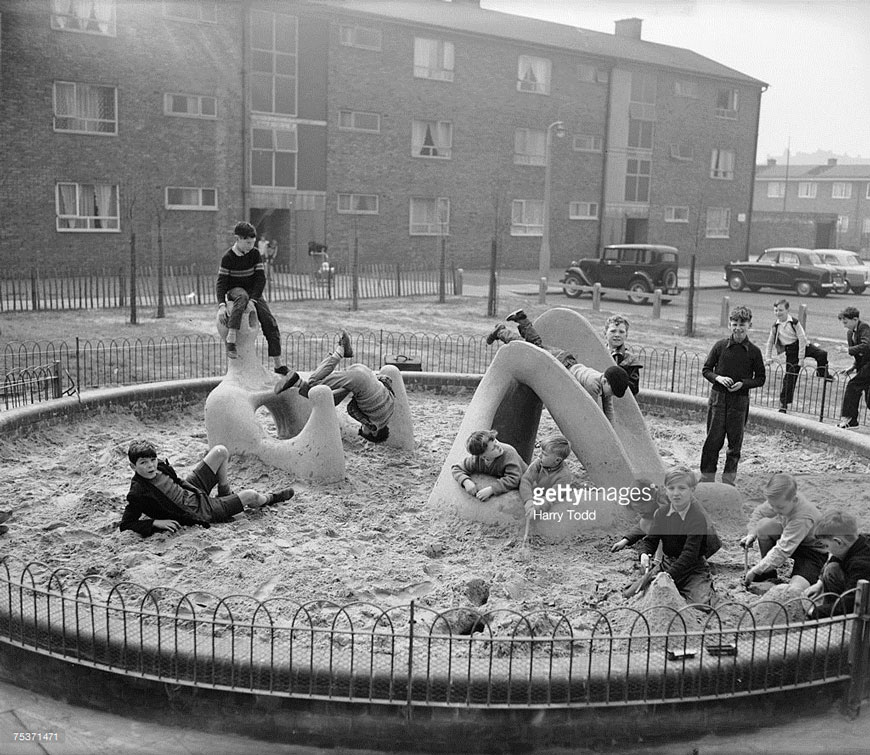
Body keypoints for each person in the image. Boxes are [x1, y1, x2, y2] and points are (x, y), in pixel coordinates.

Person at [121, 440, 295, 538]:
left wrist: (195, 489)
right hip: (200, 510)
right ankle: (272, 498)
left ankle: (225, 492)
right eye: (143, 463)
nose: (150, 466)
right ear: (133, 467)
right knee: (252, 496)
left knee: (220, 451)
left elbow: (177, 481)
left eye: (152, 460)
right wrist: (155, 522)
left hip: (192, 491)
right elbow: (126, 524)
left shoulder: (160, 466)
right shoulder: (137, 493)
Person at [485, 309, 631, 424]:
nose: (609, 396)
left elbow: (608, 406)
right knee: (530, 347)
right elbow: (595, 413)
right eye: (611, 392)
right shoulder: (593, 384)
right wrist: (606, 429)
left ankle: (522, 320)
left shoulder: (604, 380)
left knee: (536, 345)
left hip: (566, 360)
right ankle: (501, 331)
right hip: (559, 365)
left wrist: (612, 428)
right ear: (605, 381)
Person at [275, 331, 395, 443]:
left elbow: (387, 380)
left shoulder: (391, 409)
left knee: (330, 395)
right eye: (363, 429)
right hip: (358, 380)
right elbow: (351, 409)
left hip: (365, 371)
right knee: (317, 389)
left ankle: (341, 351)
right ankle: (297, 381)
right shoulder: (372, 424)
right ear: (374, 432)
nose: (362, 426)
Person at [699, 305, 766, 485]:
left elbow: (760, 378)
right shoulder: (720, 347)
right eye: (734, 324)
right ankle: (706, 478)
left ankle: (728, 482)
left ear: (749, 325)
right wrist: (718, 378)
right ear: (729, 324)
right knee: (713, 441)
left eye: (742, 324)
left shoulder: (754, 352)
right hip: (718, 400)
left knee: (734, 445)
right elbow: (706, 370)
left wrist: (743, 384)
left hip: (739, 402)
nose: (738, 328)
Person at [636, 466, 719, 606]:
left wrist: (668, 576)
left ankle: (702, 586)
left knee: (702, 604)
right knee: (634, 593)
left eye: (682, 488)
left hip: (693, 568)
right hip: (668, 562)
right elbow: (651, 540)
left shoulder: (697, 518)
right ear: (665, 490)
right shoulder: (661, 513)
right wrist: (645, 553)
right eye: (671, 488)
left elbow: (690, 554)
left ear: (692, 491)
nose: (676, 493)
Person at [216, 221, 288, 374]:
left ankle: (278, 364)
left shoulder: (255, 254)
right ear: (238, 239)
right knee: (241, 297)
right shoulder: (227, 258)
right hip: (235, 290)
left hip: (253, 293)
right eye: (247, 242)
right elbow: (221, 283)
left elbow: (261, 279)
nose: (250, 246)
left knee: (269, 321)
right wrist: (222, 305)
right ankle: (231, 337)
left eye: (252, 242)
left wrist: (254, 300)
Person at [740, 472, 827, 593]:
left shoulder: (802, 517)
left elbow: (782, 550)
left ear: (794, 499)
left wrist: (756, 570)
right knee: (763, 526)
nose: (775, 510)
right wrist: (752, 533)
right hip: (794, 543)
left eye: (780, 508)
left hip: (813, 553)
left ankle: (783, 575)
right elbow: (760, 512)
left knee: (794, 590)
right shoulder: (782, 500)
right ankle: (769, 575)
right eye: (772, 505)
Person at [764, 298, 832, 414]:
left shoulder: (794, 322)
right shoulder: (775, 326)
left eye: (780, 310)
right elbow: (770, 342)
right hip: (791, 351)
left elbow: (801, 338)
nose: (778, 313)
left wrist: (801, 358)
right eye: (775, 310)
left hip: (803, 346)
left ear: (787, 310)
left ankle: (822, 373)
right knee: (790, 377)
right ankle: (783, 404)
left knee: (822, 354)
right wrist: (768, 357)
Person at [804, 511, 870, 619]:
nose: (826, 550)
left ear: (838, 542)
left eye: (826, 545)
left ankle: (837, 620)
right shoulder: (859, 540)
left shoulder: (861, 565)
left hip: (864, 602)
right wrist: (819, 583)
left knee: (832, 570)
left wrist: (814, 612)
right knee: (832, 567)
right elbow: (837, 556)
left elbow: (851, 602)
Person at [451, 429, 527, 502]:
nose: (498, 446)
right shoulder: (476, 460)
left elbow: (514, 479)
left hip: (528, 481)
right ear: (483, 456)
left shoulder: (509, 453)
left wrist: (492, 489)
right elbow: (456, 468)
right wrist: (466, 481)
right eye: (493, 448)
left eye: (496, 441)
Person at [520, 433, 573, 517]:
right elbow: (526, 480)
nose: (539, 455)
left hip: (552, 503)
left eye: (544, 454)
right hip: (537, 494)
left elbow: (551, 498)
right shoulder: (539, 462)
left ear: (557, 460)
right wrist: (528, 500)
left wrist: (536, 508)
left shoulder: (564, 476)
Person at [836, 306, 870, 429]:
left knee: (853, 385)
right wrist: (852, 367)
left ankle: (850, 420)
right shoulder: (850, 333)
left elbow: (867, 346)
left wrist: (847, 350)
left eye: (846, 322)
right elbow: (858, 355)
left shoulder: (864, 327)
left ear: (855, 319)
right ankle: (852, 421)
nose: (844, 325)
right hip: (864, 365)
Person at [604, 314, 642, 396]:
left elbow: (634, 388)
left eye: (621, 332)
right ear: (605, 333)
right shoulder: (598, 353)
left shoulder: (630, 359)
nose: (617, 335)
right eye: (613, 331)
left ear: (626, 335)